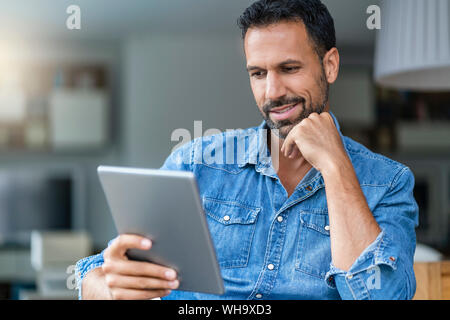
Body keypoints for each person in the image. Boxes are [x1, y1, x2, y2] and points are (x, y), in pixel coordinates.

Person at [76, 0, 418, 300]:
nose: (273, 92)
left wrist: (336, 166)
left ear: (329, 65)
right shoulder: (195, 162)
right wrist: (108, 288)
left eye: (289, 68)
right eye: (258, 73)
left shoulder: (388, 183)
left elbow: (382, 296)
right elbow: (98, 269)